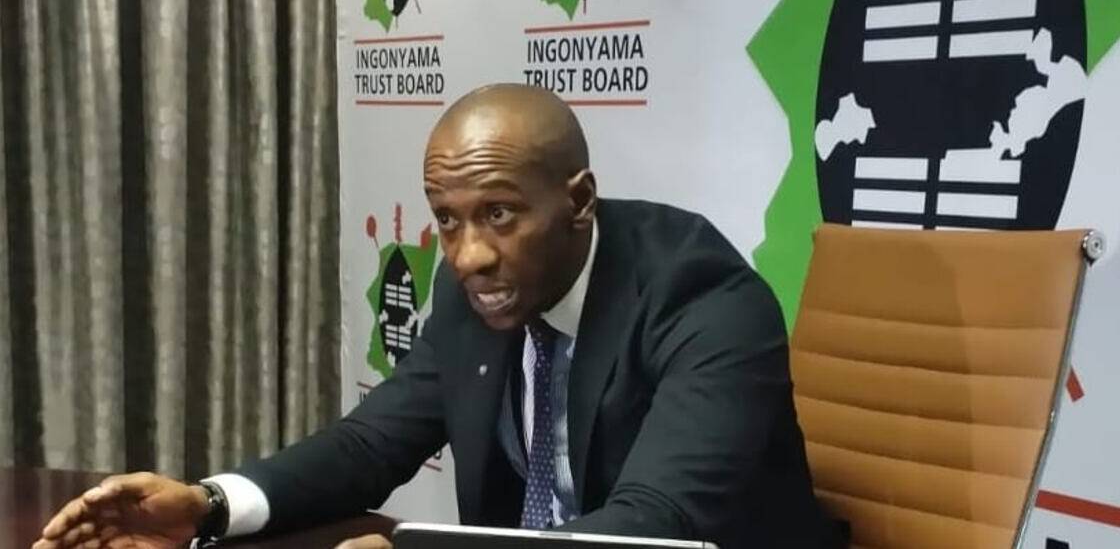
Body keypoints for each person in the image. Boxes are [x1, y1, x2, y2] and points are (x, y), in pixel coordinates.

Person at [34, 84, 840, 549]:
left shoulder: (704, 297)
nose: (467, 255)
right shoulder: (479, 290)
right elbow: (371, 444)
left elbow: (654, 526)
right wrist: (209, 505)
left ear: (580, 201)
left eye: (499, 214)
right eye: (446, 220)